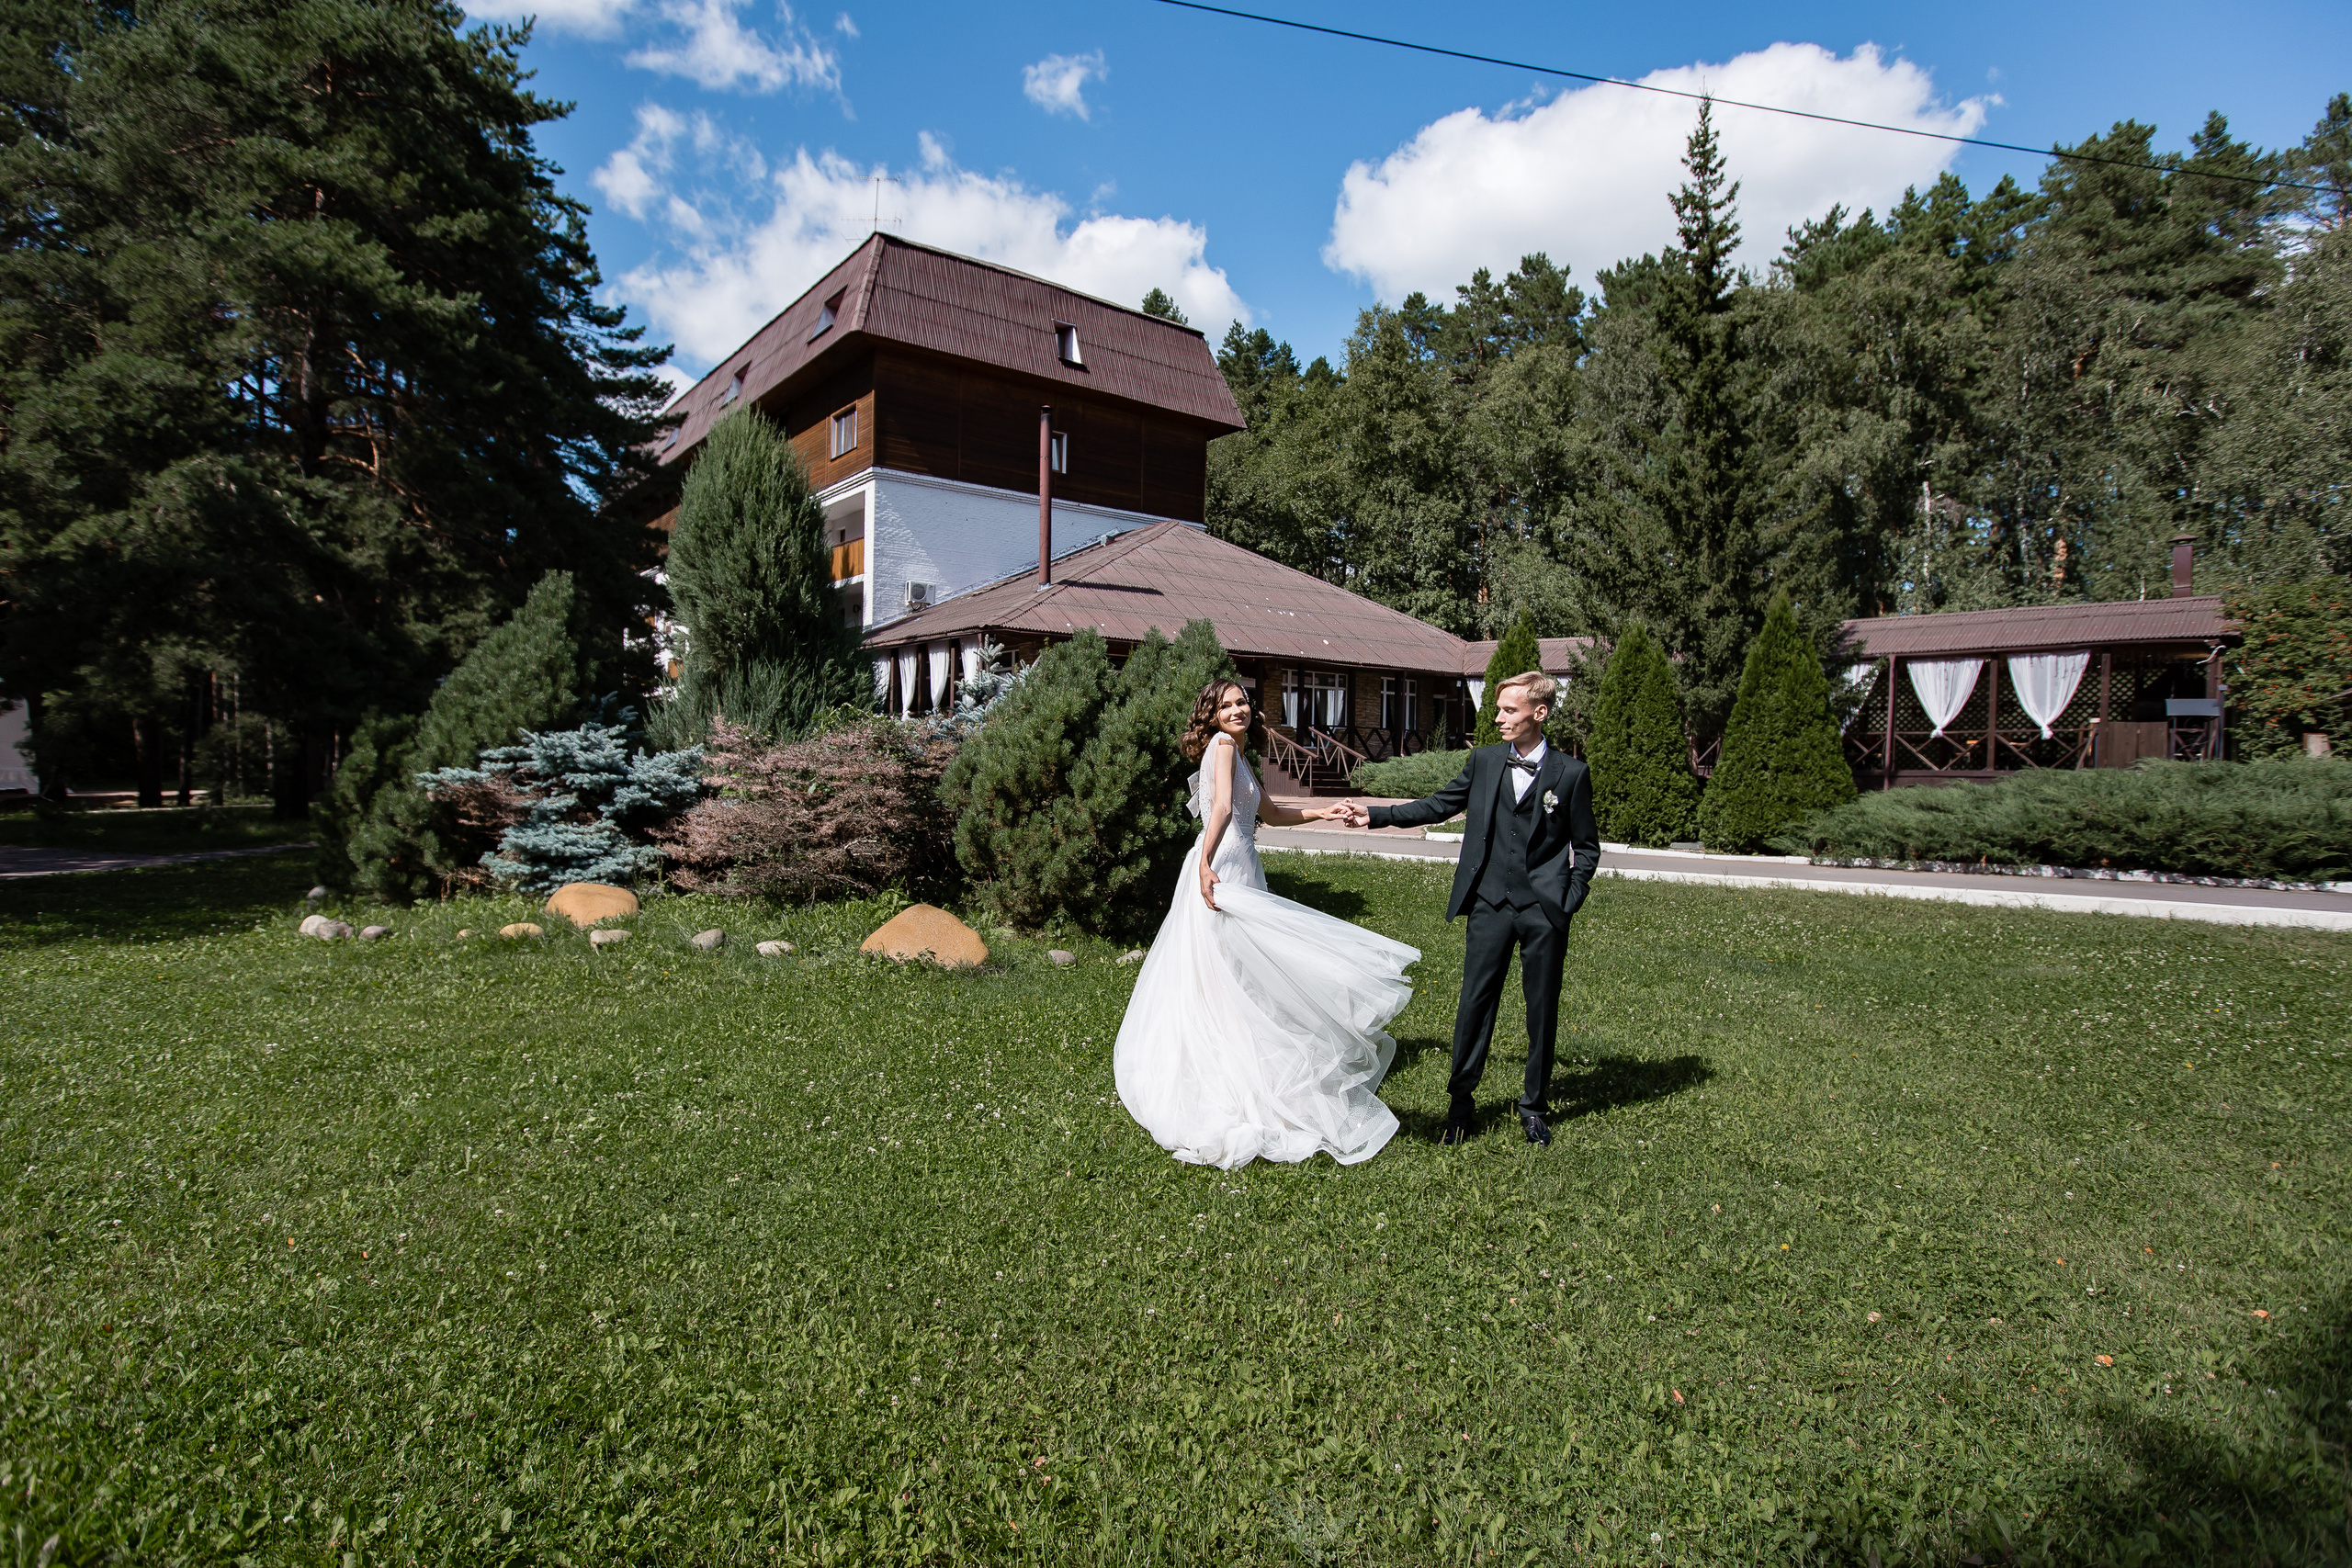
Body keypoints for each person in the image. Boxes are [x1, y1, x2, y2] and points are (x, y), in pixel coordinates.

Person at [1114, 679, 1419, 1169]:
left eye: (1242, 702)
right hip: (1223, 870)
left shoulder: (1236, 753)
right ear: (1211, 715)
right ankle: (1229, 1077)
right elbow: (1221, 810)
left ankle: (1247, 1064)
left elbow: (1272, 813)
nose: (1238, 710)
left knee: (1243, 977)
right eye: (1226, 705)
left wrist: (1326, 809)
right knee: (1229, 976)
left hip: (1240, 866)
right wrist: (1205, 863)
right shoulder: (1223, 745)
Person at [1335, 671, 1599, 1146]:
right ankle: (1460, 1105)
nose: (1496, 718)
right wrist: (1375, 815)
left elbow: (1587, 848)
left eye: (1508, 710)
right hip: (1490, 902)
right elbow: (1439, 805)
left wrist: (1567, 899)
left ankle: (1534, 1108)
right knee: (1474, 1003)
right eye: (1497, 709)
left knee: (1542, 1010)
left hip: (1544, 911)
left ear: (1539, 714)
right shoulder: (1484, 762)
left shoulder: (1571, 774)